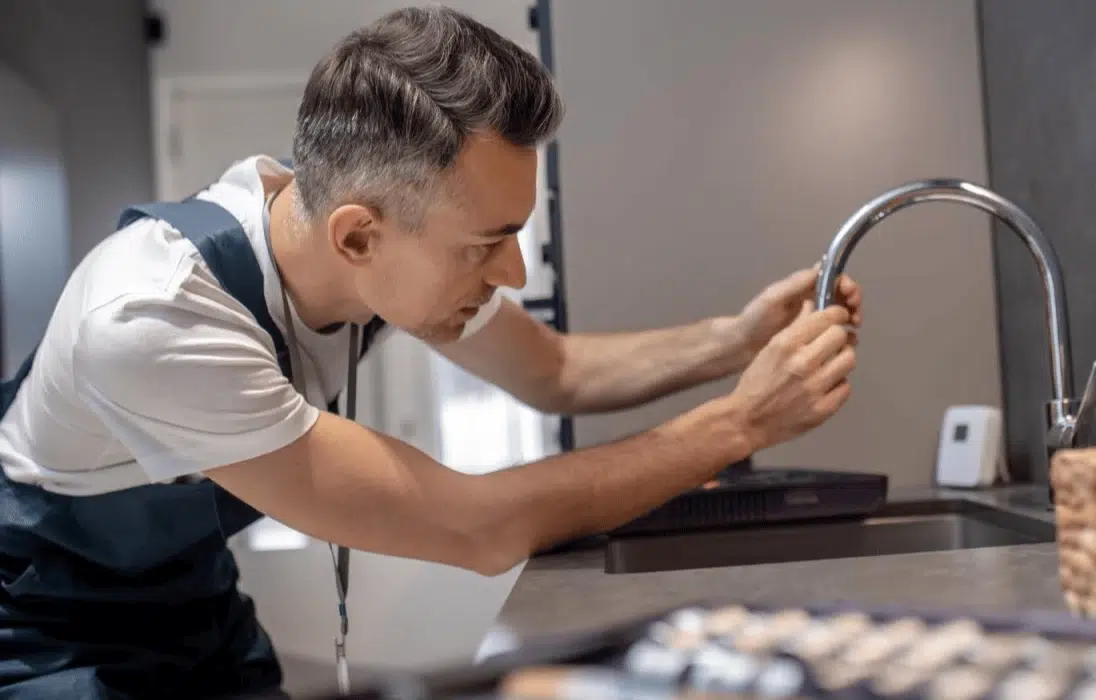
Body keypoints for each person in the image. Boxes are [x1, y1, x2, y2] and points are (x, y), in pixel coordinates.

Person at [0, 6, 862, 700]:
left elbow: (554, 372)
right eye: (488, 244)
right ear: (358, 236)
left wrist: (737, 339)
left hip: (194, 606)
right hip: (48, 639)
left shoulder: (374, 263)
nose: (514, 271)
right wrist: (741, 420)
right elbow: (475, 525)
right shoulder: (158, 319)